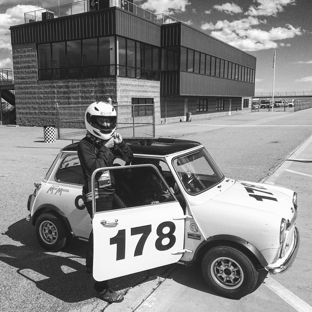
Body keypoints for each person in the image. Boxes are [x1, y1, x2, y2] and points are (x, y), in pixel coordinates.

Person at [77, 100, 133, 303]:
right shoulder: (85, 145)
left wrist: (121, 144)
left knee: (106, 230)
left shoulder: (107, 143)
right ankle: (101, 287)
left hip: (109, 191)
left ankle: (91, 265)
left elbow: (129, 158)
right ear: (92, 121)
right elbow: (94, 168)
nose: (107, 126)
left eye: (110, 122)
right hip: (95, 194)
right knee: (104, 236)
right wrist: (108, 148)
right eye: (102, 121)